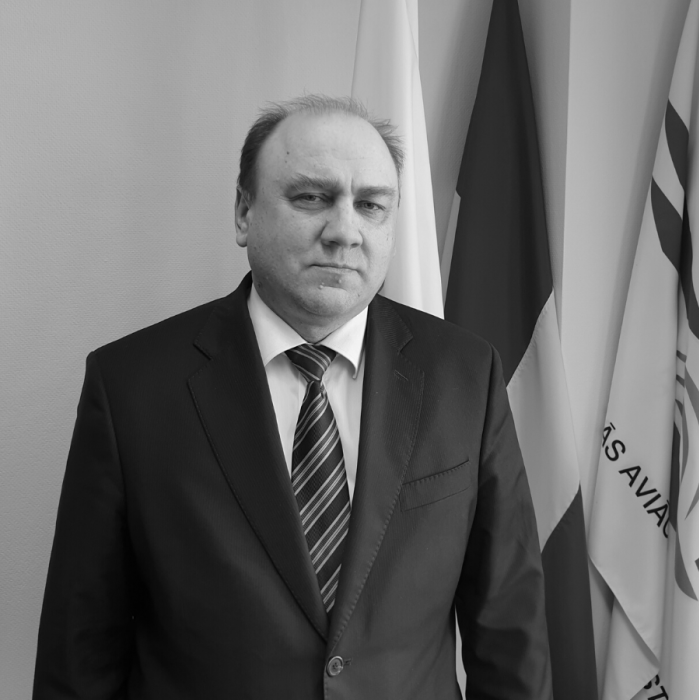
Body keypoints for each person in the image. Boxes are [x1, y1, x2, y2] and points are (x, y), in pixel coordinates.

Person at [33, 95, 551, 699]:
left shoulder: (466, 375)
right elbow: (80, 651)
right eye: (311, 197)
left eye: (371, 205)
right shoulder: (131, 387)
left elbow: (509, 631)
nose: (345, 232)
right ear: (243, 213)